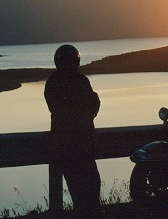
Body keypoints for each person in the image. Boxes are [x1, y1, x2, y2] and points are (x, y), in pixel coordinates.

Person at [44, 44, 101, 218]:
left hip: (71, 146)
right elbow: (92, 104)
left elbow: (90, 105)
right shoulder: (78, 81)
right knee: (86, 192)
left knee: (86, 191)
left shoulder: (55, 82)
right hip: (77, 146)